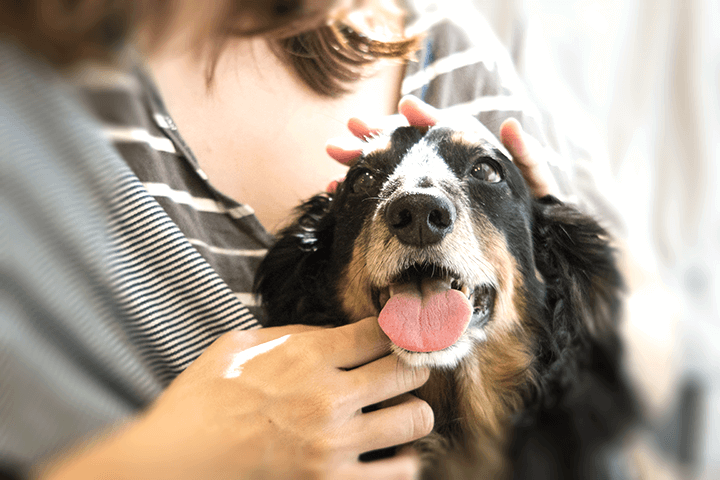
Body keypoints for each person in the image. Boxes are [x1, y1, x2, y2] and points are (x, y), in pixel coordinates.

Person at [1, 1, 576, 478]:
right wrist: (171, 460)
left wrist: (559, 273)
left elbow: (613, 394)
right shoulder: (24, 116)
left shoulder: (451, 47)